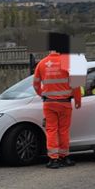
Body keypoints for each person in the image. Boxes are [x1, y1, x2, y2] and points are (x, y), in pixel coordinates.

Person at [33, 32, 81, 168]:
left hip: (49, 103)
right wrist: (78, 100)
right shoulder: (69, 62)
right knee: (64, 130)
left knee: (51, 130)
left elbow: (35, 84)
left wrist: (42, 94)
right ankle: (65, 157)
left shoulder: (41, 64)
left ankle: (53, 159)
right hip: (65, 103)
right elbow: (76, 85)